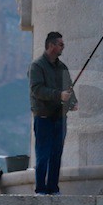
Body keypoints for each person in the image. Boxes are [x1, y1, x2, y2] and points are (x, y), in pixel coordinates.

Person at [28, 31, 77, 194]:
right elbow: (37, 90)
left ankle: (53, 188)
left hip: (60, 118)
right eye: (61, 44)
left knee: (57, 154)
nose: (63, 47)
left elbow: (68, 86)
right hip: (43, 118)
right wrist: (58, 95)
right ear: (51, 46)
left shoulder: (62, 67)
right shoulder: (37, 66)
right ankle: (40, 189)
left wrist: (72, 102)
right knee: (43, 154)